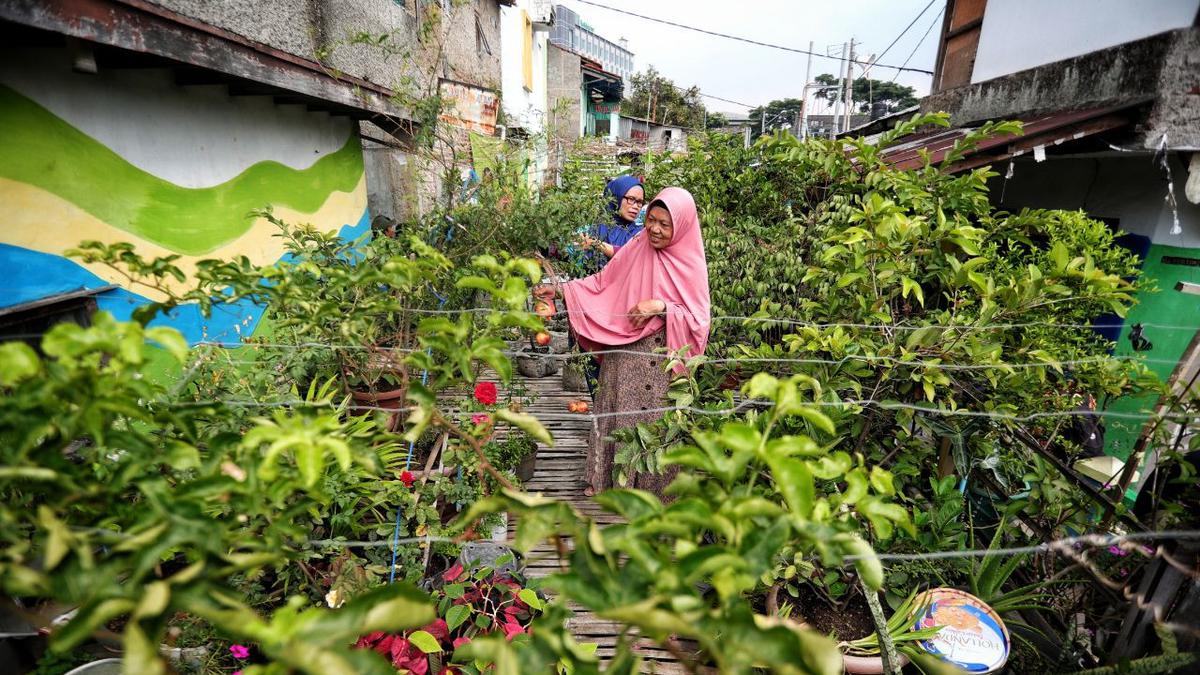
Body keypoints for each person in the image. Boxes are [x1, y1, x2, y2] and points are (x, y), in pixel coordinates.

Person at [535, 187, 710, 498]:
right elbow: (603, 282)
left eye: (664, 224)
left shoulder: (690, 261)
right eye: (651, 220)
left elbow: (699, 318)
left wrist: (661, 306)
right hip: (624, 352)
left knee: (654, 422)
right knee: (617, 411)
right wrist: (559, 290)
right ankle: (607, 481)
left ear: (681, 226)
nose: (654, 229)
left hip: (661, 358)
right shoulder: (639, 245)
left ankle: (656, 490)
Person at [578, 175, 645, 265]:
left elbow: (631, 256)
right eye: (631, 199)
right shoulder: (593, 227)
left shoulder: (640, 233)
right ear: (616, 198)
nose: (636, 206)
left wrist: (597, 244)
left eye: (640, 202)